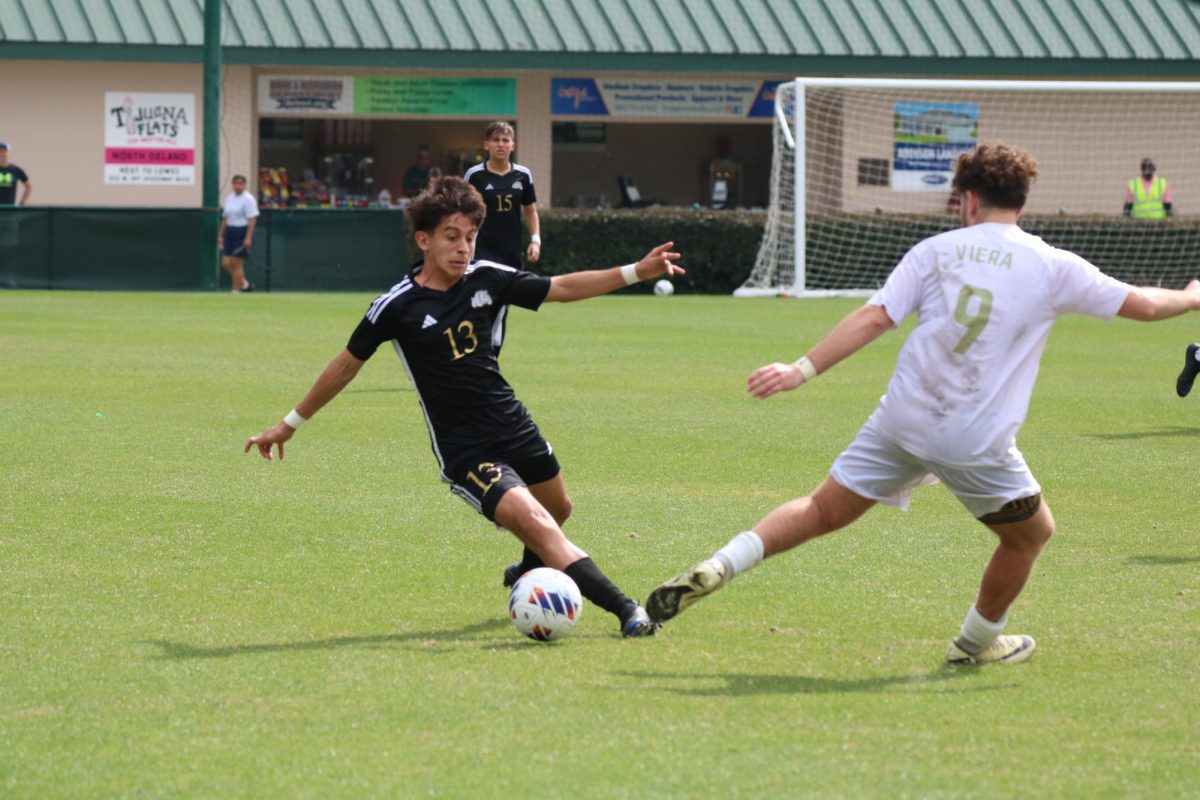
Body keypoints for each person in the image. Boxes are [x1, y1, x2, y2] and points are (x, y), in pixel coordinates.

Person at [645, 142, 1200, 665]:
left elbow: (874, 317)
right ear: (1021, 200)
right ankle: (976, 642)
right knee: (1031, 534)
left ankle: (723, 563)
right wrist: (1194, 295)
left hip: (902, 420)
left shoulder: (935, 252)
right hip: (972, 438)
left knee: (821, 511)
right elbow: (1146, 306)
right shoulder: (1052, 264)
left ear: (969, 199)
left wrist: (800, 369)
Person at [245, 175, 683, 638]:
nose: (463, 248)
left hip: (512, 422)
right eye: (451, 237)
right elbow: (345, 366)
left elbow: (561, 288)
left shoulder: (488, 278)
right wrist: (289, 424)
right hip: (466, 449)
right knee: (537, 522)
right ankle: (628, 610)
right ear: (424, 240)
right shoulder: (396, 306)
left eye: (470, 237)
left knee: (558, 509)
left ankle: (526, 570)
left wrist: (637, 271)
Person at [465, 122, 541, 268]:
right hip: (482, 252)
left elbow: (531, 212)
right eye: (496, 140)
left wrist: (536, 241)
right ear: (487, 145)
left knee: (513, 291)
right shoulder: (474, 175)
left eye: (505, 140)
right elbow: (462, 211)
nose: (500, 144)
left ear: (513, 146)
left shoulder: (523, 175)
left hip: (513, 253)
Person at [218, 174, 259, 293]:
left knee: (236, 263)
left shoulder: (248, 199)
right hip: (230, 231)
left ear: (245, 185)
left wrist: (248, 238)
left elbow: (252, 219)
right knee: (226, 263)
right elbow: (225, 218)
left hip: (241, 231)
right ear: (232, 184)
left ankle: (236, 290)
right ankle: (244, 283)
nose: (238, 186)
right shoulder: (229, 198)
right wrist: (221, 235)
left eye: (241, 184)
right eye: (236, 183)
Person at [0, 141, 32, 206]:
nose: (2, 154)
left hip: (9, 210)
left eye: (4, 151)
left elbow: (29, 186)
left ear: (8, 153)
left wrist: (21, 203)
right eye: (0, 152)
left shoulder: (16, 170)